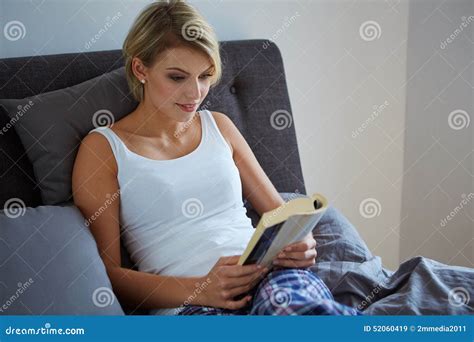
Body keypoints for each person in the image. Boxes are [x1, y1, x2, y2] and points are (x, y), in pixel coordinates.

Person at [72, 0, 361, 316]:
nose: (195, 93)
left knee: (295, 312)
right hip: (191, 306)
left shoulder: (219, 126)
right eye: (177, 77)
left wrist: (301, 242)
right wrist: (202, 289)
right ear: (141, 69)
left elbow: (281, 214)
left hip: (271, 279)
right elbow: (107, 276)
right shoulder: (104, 148)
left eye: (205, 75)